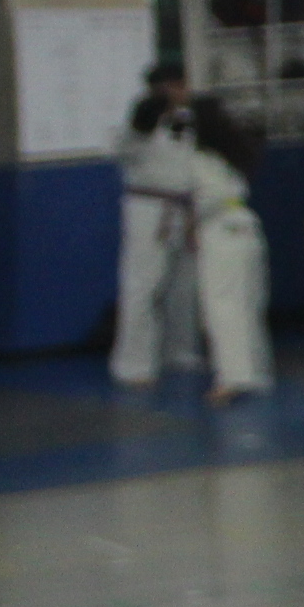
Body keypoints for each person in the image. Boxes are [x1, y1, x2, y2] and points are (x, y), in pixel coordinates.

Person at [108, 58, 201, 387]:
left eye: (182, 85)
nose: (181, 91)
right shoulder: (140, 118)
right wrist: (142, 125)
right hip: (148, 208)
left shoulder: (190, 119)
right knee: (143, 285)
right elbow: (122, 150)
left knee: (184, 285)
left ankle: (179, 351)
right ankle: (132, 364)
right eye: (174, 86)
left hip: (185, 207)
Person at [184, 95, 272, 405]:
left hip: (220, 230)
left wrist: (190, 225)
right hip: (247, 226)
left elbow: (208, 198)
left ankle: (232, 379)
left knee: (223, 306)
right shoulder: (229, 152)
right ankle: (257, 372)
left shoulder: (198, 158)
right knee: (249, 303)